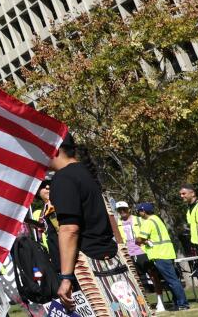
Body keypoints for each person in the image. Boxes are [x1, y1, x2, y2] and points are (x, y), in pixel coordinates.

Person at [48, 135, 149, 317]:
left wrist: (66, 278)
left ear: (54, 148)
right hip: (107, 256)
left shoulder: (64, 178)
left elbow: (69, 229)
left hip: (88, 267)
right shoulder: (85, 172)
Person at [135, 203, 190, 311]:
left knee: (172, 280)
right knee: (172, 280)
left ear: (143, 211)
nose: (138, 213)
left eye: (139, 211)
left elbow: (139, 239)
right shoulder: (157, 219)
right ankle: (178, 303)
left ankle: (183, 304)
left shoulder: (148, 222)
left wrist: (139, 240)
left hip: (160, 254)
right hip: (167, 252)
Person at [115, 201, 152, 291]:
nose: (122, 211)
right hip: (128, 254)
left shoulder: (139, 219)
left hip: (142, 251)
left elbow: (149, 232)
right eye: (119, 210)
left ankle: (159, 299)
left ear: (129, 209)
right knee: (135, 278)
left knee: (152, 274)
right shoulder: (116, 223)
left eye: (124, 209)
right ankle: (142, 300)